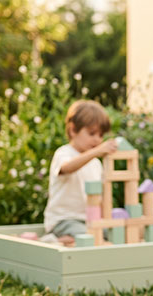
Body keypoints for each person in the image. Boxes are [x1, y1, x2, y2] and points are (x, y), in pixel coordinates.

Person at [43, 100, 117, 246]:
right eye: (92, 133)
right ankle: (52, 240)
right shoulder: (64, 153)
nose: (97, 139)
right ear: (73, 130)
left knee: (116, 234)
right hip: (63, 220)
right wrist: (96, 151)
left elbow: (99, 196)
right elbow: (67, 168)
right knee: (88, 237)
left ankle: (69, 240)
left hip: (90, 220)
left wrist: (106, 220)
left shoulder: (96, 163)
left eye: (101, 135)